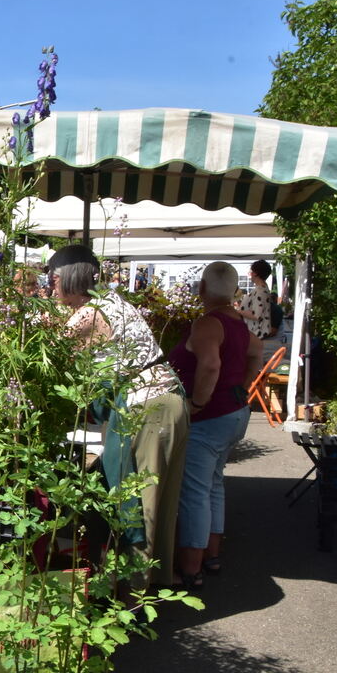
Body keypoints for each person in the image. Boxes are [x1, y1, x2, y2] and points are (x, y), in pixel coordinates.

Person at [49, 244, 189, 589]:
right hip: (166, 402)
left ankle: (132, 595)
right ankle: (154, 582)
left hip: (148, 407)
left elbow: (51, 352)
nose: (49, 288)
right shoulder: (112, 303)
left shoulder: (90, 314)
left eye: (53, 279)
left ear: (70, 278)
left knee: (137, 501)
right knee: (160, 497)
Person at [169, 261, 263, 590]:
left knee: (194, 492)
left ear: (203, 289)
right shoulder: (236, 321)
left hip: (210, 417)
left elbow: (209, 365)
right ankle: (212, 554)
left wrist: (197, 403)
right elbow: (257, 349)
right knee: (213, 485)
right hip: (233, 413)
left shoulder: (209, 323)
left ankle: (191, 568)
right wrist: (243, 385)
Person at [239, 260, 273, 339]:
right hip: (255, 334)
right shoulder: (262, 289)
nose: (250, 274)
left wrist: (236, 311)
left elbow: (255, 315)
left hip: (256, 334)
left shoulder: (260, 291)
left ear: (256, 273)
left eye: (251, 271)